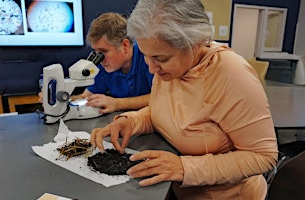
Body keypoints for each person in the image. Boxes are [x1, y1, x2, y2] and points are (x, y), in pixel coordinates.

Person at [90, 1, 278, 199]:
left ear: (194, 44)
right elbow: (162, 110)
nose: (152, 69)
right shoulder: (171, 69)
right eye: (146, 56)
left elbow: (263, 157)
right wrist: (131, 121)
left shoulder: (232, 75)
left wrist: (185, 167)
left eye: (161, 59)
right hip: (178, 191)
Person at [39, 12, 153, 114]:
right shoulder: (105, 66)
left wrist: (117, 103)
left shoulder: (149, 57)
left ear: (125, 46)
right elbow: (85, 97)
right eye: (96, 52)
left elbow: (161, 98)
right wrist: (60, 100)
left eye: (103, 51)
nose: (100, 59)